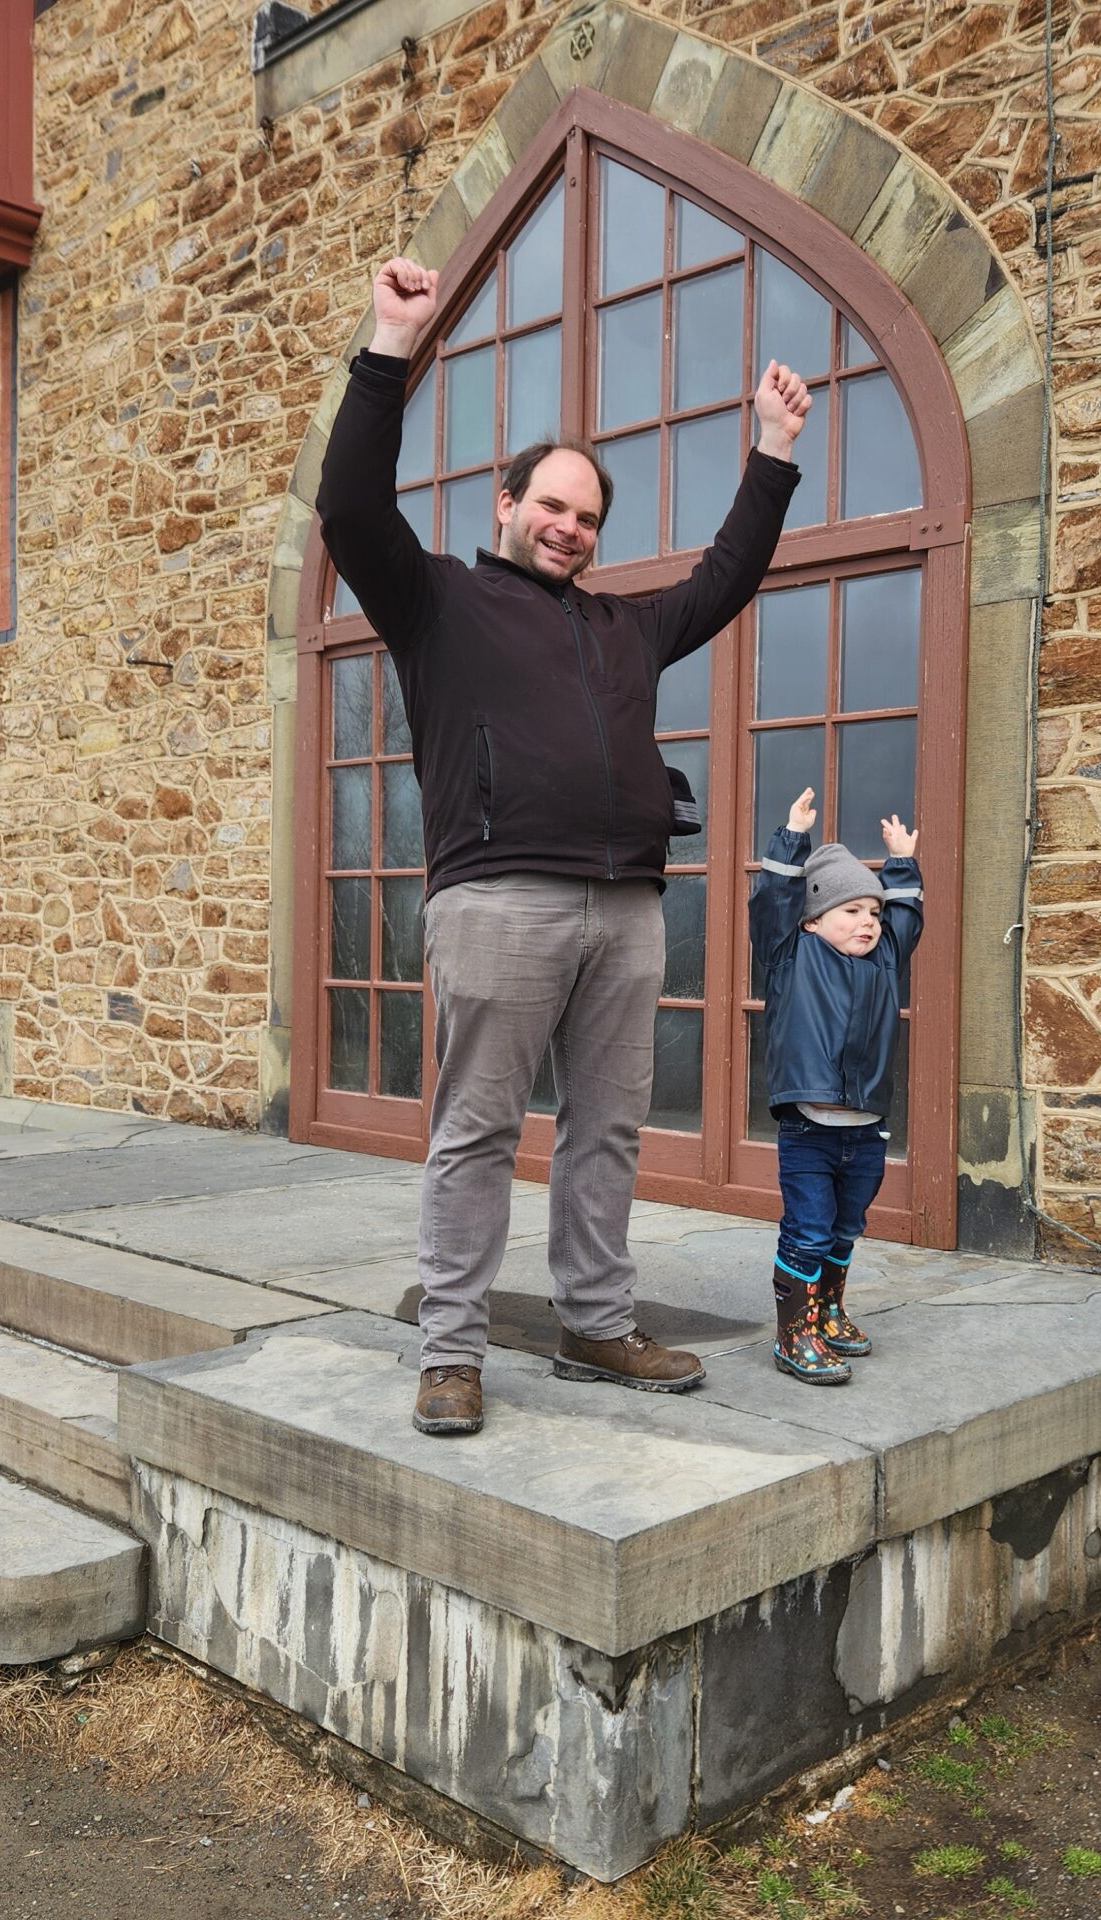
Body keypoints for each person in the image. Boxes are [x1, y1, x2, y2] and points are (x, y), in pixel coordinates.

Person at [317, 255, 813, 1437]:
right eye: (552, 506)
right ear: (506, 505)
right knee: (476, 1130)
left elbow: (727, 577)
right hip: (497, 902)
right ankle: (452, 1350)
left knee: (609, 1129)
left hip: (626, 909)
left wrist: (771, 450)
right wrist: (389, 344)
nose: (571, 529)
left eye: (588, 518)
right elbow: (346, 507)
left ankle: (596, 1325)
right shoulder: (436, 600)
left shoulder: (624, 628)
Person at [748, 788, 924, 1384]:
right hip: (808, 1131)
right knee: (808, 1230)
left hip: (867, 1131)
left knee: (847, 1227)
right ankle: (793, 1335)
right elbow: (772, 900)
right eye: (851, 911)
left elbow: (907, 916)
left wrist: (901, 861)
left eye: (872, 913)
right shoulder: (789, 954)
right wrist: (791, 838)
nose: (867, 922)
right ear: (814, 919)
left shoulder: (884, 963)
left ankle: (827, 1311)